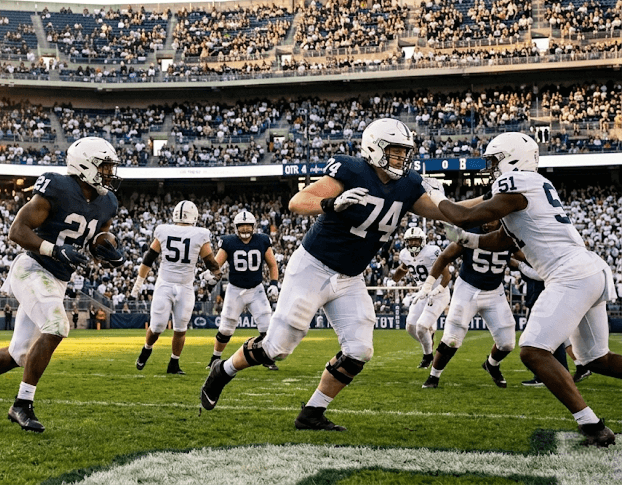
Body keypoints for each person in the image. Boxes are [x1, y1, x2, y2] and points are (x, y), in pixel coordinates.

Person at [201, 117, 449, 431]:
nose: (401, 158)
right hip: (313, 266)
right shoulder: (352, 170)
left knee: (360, 350)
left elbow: (448, 212)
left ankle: (312, 412)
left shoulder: (409, 184)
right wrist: (331, 203)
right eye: (395, 151)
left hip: (350, 277)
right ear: (375, 148)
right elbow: (297, 201)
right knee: (277, 347)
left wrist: (493, 203)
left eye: (404, 152)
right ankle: (222, 372)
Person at [432, 132, 619, 447]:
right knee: (596, 359)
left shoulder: (517, 183)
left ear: (511, 158)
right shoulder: (534, 185)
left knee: (533, 351)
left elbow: (465, 216)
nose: (492, 169)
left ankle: (593, 427)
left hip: (569, 274)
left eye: (495, 161)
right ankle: (593, 426)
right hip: (588, 270)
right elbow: (507, 238)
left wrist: (436, 196)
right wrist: (469, 241)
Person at [0, 136, 123, 433]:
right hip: (32, 269)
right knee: (57, 326)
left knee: (17, 355)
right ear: (86, 165)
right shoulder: (58, 187)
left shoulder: (107, 202)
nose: (109, 174)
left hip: (57, 281)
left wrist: (108, 249)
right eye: (104, 168)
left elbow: (99, 238)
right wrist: (53, 249)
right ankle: (22, 404)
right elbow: (17, 230)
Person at [420, 221, 517, 389]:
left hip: (494, 291)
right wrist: (428, 284)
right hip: (467, 288)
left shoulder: (511, 233)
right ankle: (434, 376)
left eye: (493, 218)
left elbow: (524, 256)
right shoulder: (470, 233)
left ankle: (491, 364)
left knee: (507, 343)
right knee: (452, 338)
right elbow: (445, 256)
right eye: (486, 217)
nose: (487, 222)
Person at [131, 200, 220, 375]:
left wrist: (138, 285)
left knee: (179, 328)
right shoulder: (200, 233)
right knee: (159, 327)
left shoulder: (164, 230)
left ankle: (174, 363)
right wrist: (215, 274)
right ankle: (146, 349)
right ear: (194, 216)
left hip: (181, 286)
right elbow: (210, 262)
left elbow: (148, 260)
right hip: (168, 284)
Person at [205, 210, 279, 371]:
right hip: (235, 290)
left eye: (248, 225)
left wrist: (274, 283)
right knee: (226, 327)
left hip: (256, 289)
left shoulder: (262, 240)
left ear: (254, 226)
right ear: (235, 227)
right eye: (241, 226)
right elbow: (217, 264)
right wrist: (210, 273)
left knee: (267, 325)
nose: (245, 229)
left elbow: (272, 264)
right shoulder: (229, 242)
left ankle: (267, 358)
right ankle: (215, 358)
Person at [391, 225, 452, 369]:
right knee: (410, 326)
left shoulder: (432, 251)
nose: (413, 243)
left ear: (422, 241)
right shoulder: (405, 254)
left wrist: (438, 290)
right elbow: (402, 270)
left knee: (421, 326)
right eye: (410, 241)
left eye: (416, 240)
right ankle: (429, 341)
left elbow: (447, 275)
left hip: (438, 292)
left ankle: (428, 356)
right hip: (421, 293)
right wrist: (399, 272)